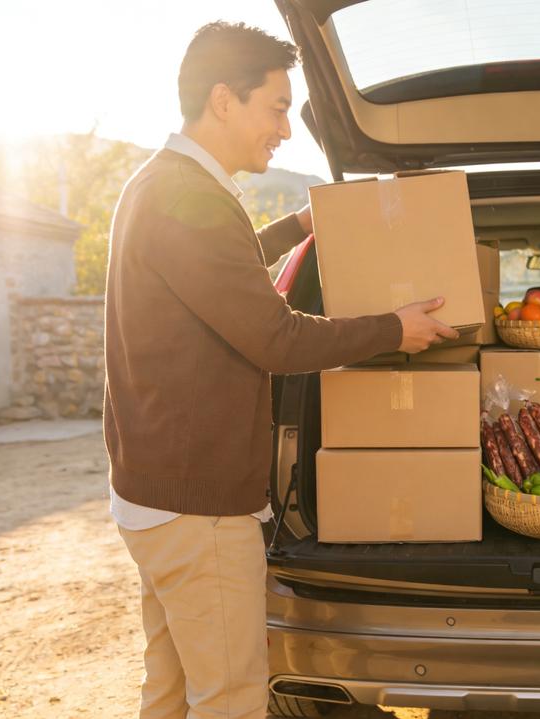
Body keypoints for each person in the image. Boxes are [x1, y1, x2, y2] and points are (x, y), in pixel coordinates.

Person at [103, 21, 456, 719]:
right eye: (276, 108)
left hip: (156, 495)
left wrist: (296, 226)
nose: (286, 130)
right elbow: (274, 336)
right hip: (196, 507)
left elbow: (215, 274)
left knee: (171, 691)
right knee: (230, 697)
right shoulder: (192, 198)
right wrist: (394, 328)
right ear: (224, 100)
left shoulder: (167, 185)